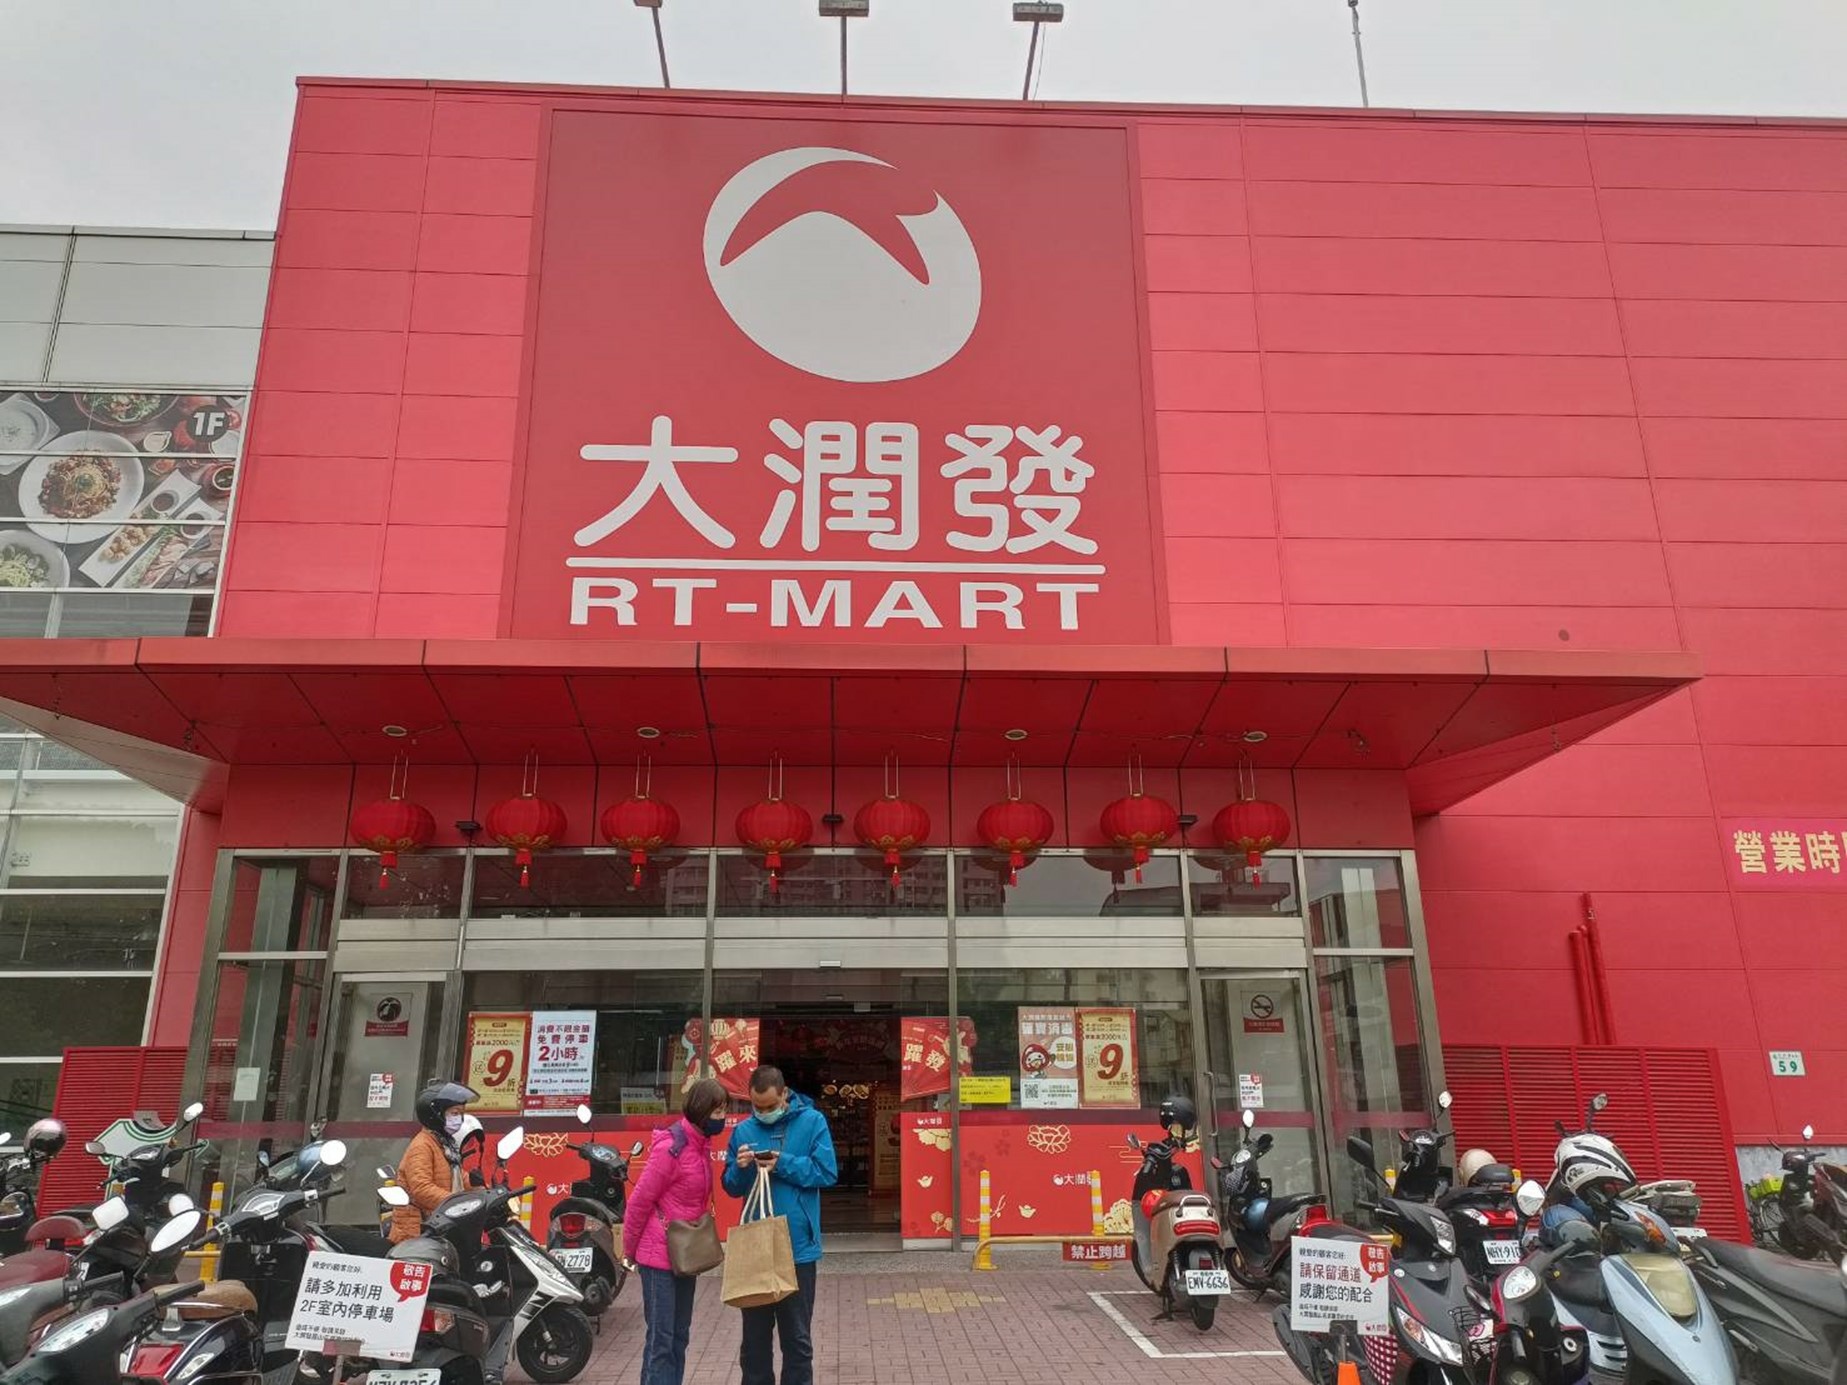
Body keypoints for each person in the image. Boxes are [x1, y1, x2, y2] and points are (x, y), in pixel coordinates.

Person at [722, 1066, 838, 1385]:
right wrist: (740, 1167)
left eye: (770, 1106)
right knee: (754, 1344)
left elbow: (827, 1172)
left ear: (784, 1094)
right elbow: (730, 1186)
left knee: (797, 1340)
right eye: (757, 1107)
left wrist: (782, 1163)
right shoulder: (743, 1131)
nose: (763, 1113)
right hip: (756, 1250)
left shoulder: (813, 1122)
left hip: (797, 1249)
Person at [623, 1078, 730, 1385]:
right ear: (702, 1110)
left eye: (724, 1109)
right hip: (658, 1258)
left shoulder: (700, 1144)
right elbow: (640, 1201)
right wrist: (629, 1251)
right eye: (718, 1110)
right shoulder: (671, 1148)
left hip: (685, 1254)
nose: (722, 1117)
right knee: (662, 1339)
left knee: (679, 1336)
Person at [390, 1079, 476, 1243]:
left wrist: (482, 1188)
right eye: (454, 1113)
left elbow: (456, 1175)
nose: (459, 1119)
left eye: (461, 1114)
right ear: (435, 1114)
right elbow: (421, 1189)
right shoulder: (422, 1145)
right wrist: (458, 1203)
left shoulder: (443, 1144)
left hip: (437, 1226)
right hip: (418, 1233)